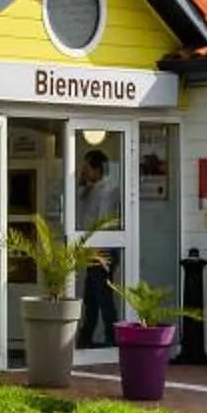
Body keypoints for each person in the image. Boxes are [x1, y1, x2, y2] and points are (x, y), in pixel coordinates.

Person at [76, 147, 122, 346]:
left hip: (102, 249)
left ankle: (113, 339)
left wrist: (95, 250)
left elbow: (102, 221)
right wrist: (81, 182)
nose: (83, 171)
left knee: (103, 296)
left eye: (85, 167)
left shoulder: (107, 190)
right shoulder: (91, 188)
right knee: (91, 297)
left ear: (96, 169)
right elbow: (79, 202)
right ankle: (86, 338)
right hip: (92, 249)